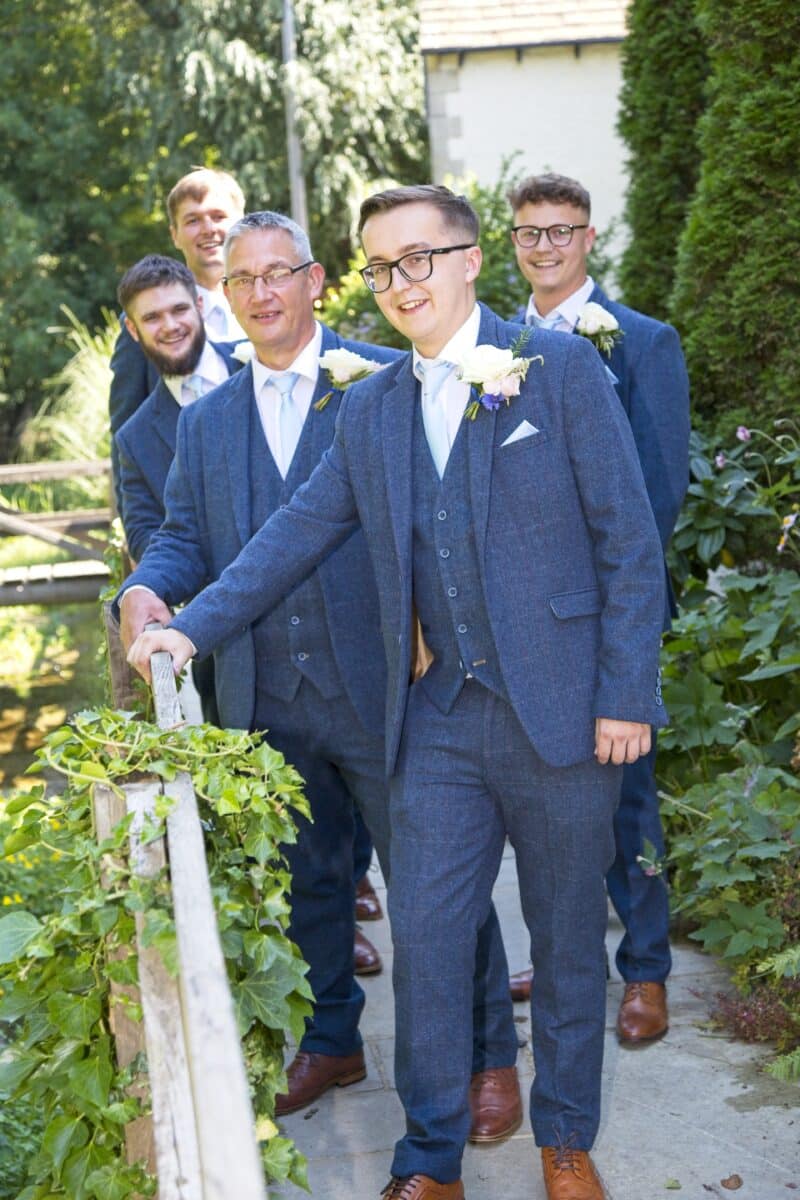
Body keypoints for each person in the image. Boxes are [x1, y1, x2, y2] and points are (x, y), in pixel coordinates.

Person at [127, 185, 667, 1200]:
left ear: (469, 259)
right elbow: (291, 534)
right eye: (380, 266)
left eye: (418, 257)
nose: (398, 282)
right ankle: (430, 1158)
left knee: (560, 942)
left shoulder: (553, 373)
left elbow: (628, 545)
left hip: (561, 713)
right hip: (438, 720)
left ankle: (563, 1140)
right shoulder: (369, 406)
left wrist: (623, 696)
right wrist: (180, 628)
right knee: (426, 934)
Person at [118, 211, 402, 1113]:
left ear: (317, 282)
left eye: (281, 274)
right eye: (244, 281)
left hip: (388, 684)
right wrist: (141, 592)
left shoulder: (385, 384)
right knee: (310, 882)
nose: (264, 293)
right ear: (226, 298)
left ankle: (481, 1055)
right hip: (268, 694)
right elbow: (181, 539)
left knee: (437, 879)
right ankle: (331, 1043)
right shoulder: (207, 425)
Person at [506, 172, 690, 1046]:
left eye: (560, 232)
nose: (544, 247)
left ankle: (646, 970)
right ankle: (564, 950)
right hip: (524, 618)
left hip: (609, 610)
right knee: (547, 800)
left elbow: (656, 496)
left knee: (629, 795)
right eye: (528, 234)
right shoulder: (491, 349)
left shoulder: (643, 343)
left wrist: (617, 609)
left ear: (589, 238)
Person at [109, 168, 247, 507]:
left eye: (218, 216)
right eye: (193, 220)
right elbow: (126, 434)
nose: (209, 229)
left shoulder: (268, 306)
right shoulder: (144, 325)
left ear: (241, 222)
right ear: (174, 234)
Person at [114, 254, 243, 564]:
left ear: (199, 305)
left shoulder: (259, 368)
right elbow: (145, 540)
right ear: (133, 329)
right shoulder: (135, 440)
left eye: (179, 309)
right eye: (152, 317)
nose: (170, 326)